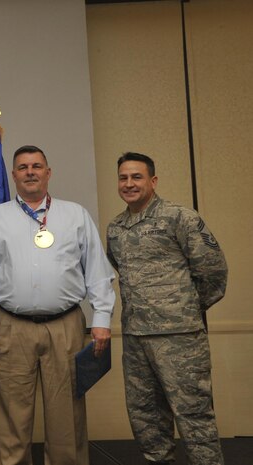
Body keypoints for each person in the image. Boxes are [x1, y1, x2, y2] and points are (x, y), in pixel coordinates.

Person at [0, 145, 115, 465]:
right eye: (23, 167)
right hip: (8, 327)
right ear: (14, 175)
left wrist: (101, 317)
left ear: (48, 172)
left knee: (67, 420)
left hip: (66, 326)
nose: (30, 172)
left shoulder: (75, 215)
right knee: (10, 421)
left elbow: (97, 271)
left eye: (36, 166)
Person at [106, 152, 227, 465]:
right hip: (136, 339)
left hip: (180, 338)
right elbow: (118, 268)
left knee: (195, 418)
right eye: (123, 177)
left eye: (137, 177)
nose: (129, 184)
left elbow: (213, 273)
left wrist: (183, 309)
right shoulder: (116, 228)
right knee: (146, 421)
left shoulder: (180, 218)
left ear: (153, 181)